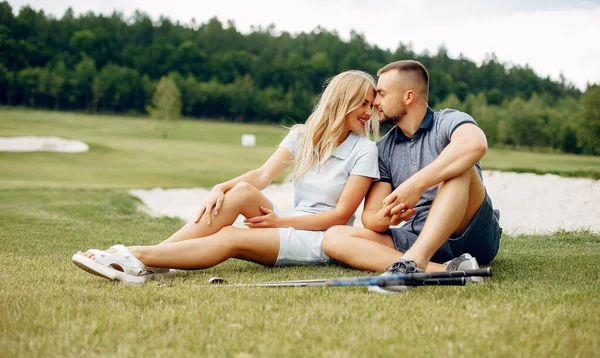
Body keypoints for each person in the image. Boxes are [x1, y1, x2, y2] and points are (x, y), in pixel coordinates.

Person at [72, 70, 382, 284]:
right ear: (342, 101)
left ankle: (138, 256)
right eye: (364, 103)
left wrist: (280, 222)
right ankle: (154, 261)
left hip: (320, 239)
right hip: (292, 222)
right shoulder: (303, 135)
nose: (369, 112)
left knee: (231, 237)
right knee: (243, 191)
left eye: (372, 104)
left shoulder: (364, 150)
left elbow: (340, 216)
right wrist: (221, 187)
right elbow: (262, 175)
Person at [322, 60, 502, 293]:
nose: (375, 102)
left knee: (459, 169)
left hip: (471, 234)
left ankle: (412, 265)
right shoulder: (383, 148)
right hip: (418, 236)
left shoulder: (448, 121)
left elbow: (475, 144)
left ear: (408, 97)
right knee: (334, 237)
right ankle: (445, 271)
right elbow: (370, 217)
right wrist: (386, 218)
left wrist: (416, 185)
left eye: (382, 94)